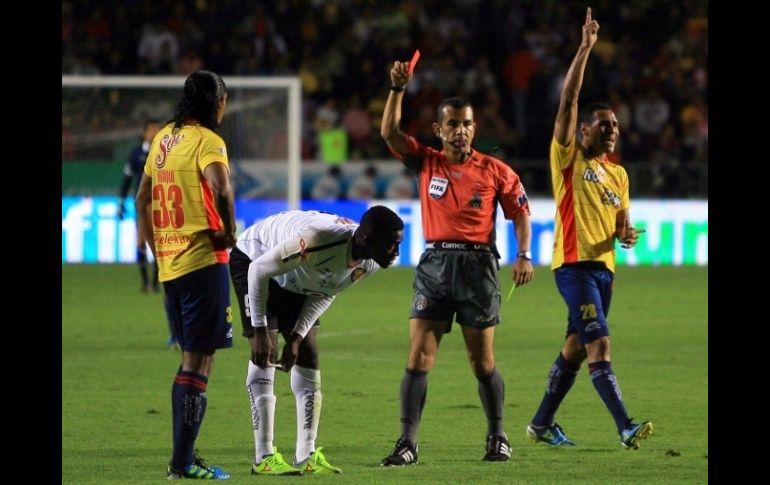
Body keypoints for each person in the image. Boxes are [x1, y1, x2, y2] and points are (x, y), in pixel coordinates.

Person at [379, 58, 534, 466]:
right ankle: (407, 443)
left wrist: (523, 253)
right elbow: (390, 133)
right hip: (434, 266)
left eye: (466, 123)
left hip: (478, 267)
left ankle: (498, 436)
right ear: (439, 129)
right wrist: (397, 89)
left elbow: (520, 212)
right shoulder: (426, 161)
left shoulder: (496, 171)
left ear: (473, 127)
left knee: (482, 362)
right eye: (453, 124)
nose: (461, 130)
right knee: (418, 356)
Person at [525, 8, 653, 451]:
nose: (613, 130)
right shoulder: (568, 158)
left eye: (616, 125)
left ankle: (541, 423)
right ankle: (625, 426)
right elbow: (568, 101)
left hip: (605, 271)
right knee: (599, 345)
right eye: (605, 124)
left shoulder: (617, 175)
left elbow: (623, 225)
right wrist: (585, 48)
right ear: (583, 130)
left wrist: (627, 234)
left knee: (576, 349)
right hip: (574, 268)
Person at [229, 206, 404, 475]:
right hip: (257, 260)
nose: (396, 252)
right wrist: (260, 330)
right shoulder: (318, 241)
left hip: (299, 277)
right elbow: (258, 271)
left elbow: (328, 290)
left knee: (308, 351)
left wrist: (297, 336)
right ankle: (263, 457)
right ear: (369, 238)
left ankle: (306, 454)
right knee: (267, 349)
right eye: (392, 243)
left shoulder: (370, 261)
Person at [135, 70, 236, 480]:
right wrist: (229, 232)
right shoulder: (208, 142)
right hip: (203, 259)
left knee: (190, 359)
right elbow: (222, 189)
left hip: (171, 264)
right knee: (199, 362)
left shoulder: (162, 139)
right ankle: (182, 462)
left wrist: (153, 247)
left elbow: (143, 197)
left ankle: (185, 454)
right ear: (215, 104)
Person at [118, 119, 179, 349]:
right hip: (144, 207)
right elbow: (127, 180)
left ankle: (155, 282)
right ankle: (148, 283)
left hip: (166, 209)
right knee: (143, 244)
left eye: (158, 129)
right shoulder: (137, 155)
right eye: (152, 129)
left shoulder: (168, 152)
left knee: (165, 258)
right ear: (144, 132)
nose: (155, 132)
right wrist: (121, 202)